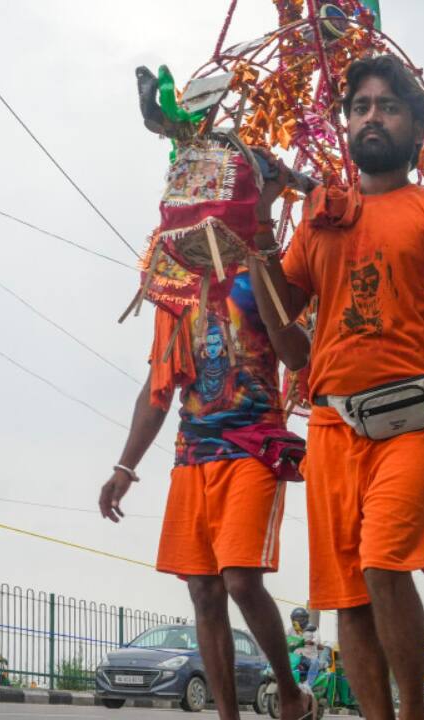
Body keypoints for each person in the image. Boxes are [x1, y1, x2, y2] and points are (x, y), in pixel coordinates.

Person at [248, 54, 424, 720]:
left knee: (384, 566)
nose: (371, 116)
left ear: (416, 129)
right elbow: (284, 326)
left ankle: (413, 711)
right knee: (347, 597)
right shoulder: (319, 220)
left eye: (387, 106)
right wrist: (264, 224)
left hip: (410, 420)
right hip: (329, 425)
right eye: (359, 107)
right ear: (345, 125)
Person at [98, 268, 313, 720]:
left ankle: (290, 695)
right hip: (193, 453)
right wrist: (124, 466)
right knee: (203, 591)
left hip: (254, 446)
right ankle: (227, 716)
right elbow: (157, 390)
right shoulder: (176, 291)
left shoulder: (259, 274)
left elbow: (298, 352)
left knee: (239, 578)